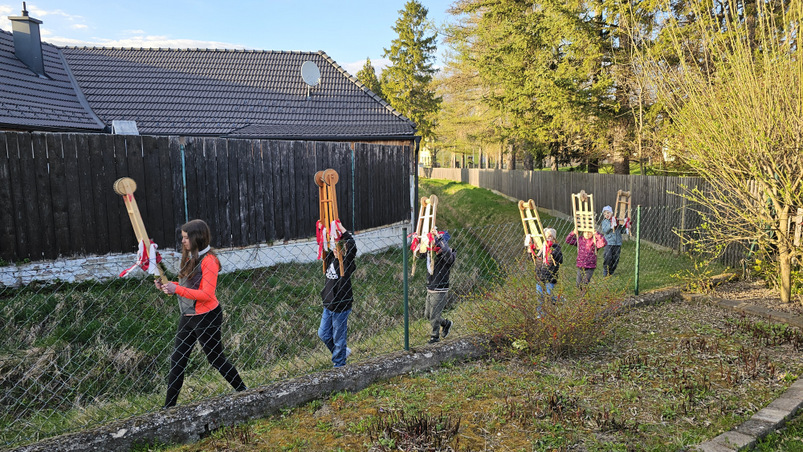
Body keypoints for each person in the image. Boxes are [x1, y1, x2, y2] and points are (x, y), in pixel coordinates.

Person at [155, 219, 247, 408]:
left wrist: (176, 289)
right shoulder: (191, 257)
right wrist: (168, 286)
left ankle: (244, 391)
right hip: (188, 316)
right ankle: (168, 408)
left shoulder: (209, 261)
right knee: (177, 360)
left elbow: (206, 294)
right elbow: (188, 286)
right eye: (182, 237)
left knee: (215, 359)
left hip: (207, 317)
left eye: (186, 238)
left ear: (197, 238)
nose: (183, 241)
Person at [318, 222, 357, 367]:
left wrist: (341, 228)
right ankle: (342, 352)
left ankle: (339, 364)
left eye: (339, 247)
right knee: (323, 334)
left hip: (341, 306)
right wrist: (323, 230)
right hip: (328, 305)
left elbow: (352, 246)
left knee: (339, 338)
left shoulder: (347, 263)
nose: (336, 249)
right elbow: (323, 245)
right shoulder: (329, 259)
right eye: (334, 247)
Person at [418, 231, 456, 344]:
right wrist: (419, 243)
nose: (437, 249)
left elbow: (448, 255)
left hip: (440, 289)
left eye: (438, 246)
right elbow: (421, 255)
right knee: (428, 315)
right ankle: (446, 323)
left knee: (434, 315)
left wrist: (439, 238)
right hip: (430, 288)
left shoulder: (449, 255)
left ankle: (435, 337)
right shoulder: (432, 255)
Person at [535, 228, 563, 315]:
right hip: (540, 276)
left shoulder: (556, 248)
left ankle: (559, 300)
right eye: (546, 237)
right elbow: (535, 259)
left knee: (548, 295)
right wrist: (530, 251)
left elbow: (560, 260)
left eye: (550, 237)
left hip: (551, 276)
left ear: (554, 238)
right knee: (539, 295)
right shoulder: (542, 248)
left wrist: (553, 253)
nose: (548, 239)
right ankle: (540, 314)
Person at [600, 205, 625, 277]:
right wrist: (611, 225)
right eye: (604, 214)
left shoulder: (617, 221)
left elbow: (622, 231)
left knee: (615, 258)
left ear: (612, 213)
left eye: (608, 213)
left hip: (617, 243)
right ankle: (605, 269)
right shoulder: (605, 222)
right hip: (609, 242)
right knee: (608, 256)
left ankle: (611, 271)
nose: (606, 215)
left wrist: (624, 225)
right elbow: (605, 230)